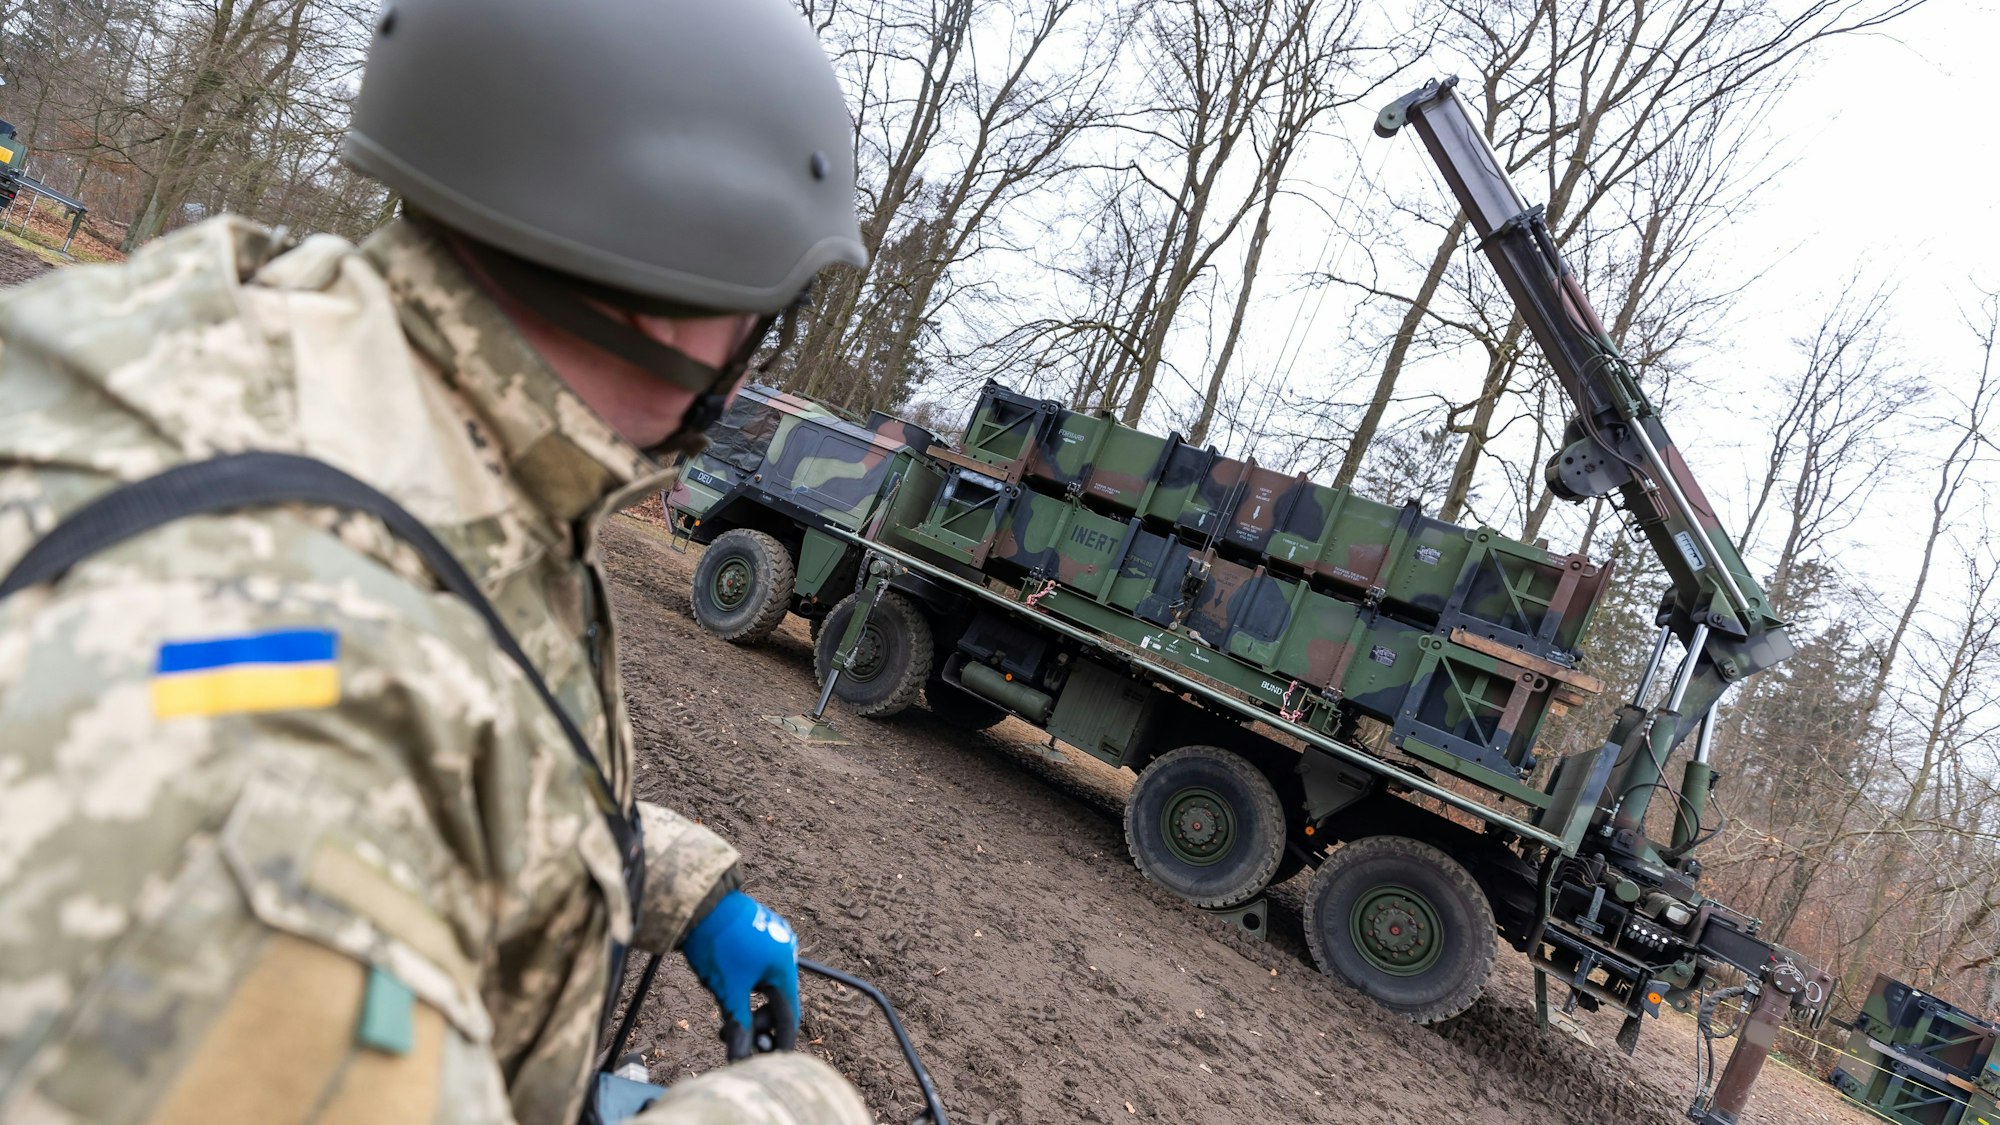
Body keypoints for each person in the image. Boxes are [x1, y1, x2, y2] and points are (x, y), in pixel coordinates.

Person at [0, 0, 874, 1122]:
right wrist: (779, 1109)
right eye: (771, 309)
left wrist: (667, 875)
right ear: (681, 291)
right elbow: (307, 765)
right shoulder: (265, 780)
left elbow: (400, 726)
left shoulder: (286, 349)